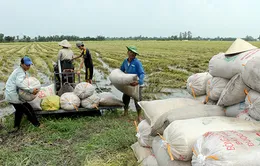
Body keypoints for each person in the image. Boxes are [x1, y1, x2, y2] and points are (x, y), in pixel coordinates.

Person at [4, 56, 42, 132]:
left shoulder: (20, 70)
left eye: (29, 65)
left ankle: (16, 127)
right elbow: (19, 84)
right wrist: (31, 90)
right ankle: (37, 125)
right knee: (27, 109)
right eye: (27, 65)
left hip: (12, 93)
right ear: (22, 64)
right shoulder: (20, 72)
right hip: (13, 95)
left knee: (19, 111)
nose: (28, 67)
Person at [120, 46, 145, 122]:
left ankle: (139, 116)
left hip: (135, 83)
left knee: (137, 100)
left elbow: (142, 73)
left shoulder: (137, 63)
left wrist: (138, 82)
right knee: (125, 98)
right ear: (128, 53)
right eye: (130, 52)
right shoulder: (125, 61)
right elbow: (121, 70)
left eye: (134, 53)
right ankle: (125, 112)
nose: (132, 54)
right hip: (128, 83)